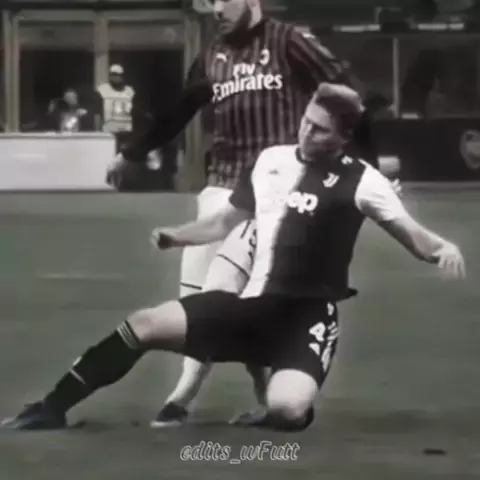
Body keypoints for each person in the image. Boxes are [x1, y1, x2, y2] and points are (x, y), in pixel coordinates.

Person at [1, 83, 464, 433]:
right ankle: (50, 408)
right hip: (249, 306)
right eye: (306, 121)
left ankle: (280, 401)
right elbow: (225, 222)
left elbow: (413, 237)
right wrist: (177, 237)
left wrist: (444, 248)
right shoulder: (271, 160)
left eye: (320, 129)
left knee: (288, 410)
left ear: (343, 137)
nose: (306, 132)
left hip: (306, 318)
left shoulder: (364, 180)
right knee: (143, 324)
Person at [106, 0, 390, 428]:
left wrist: (368, 169)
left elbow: (352, 99)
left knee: (240, 295)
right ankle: (260, 391)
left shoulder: (290, 42)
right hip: (221, 186)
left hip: (277, 192)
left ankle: (183, 396)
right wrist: (132, 152)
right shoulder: (211, 55)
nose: (216, 8)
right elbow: (180, 110)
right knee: (198, 297)